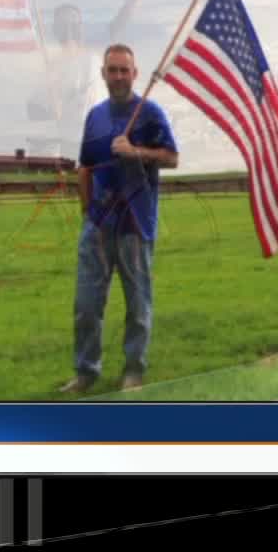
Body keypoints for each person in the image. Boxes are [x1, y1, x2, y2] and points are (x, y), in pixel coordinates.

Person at [58, 44, 178, 394]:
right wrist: (86, 212)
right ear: (104, 74)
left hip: (135, 225)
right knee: (86, 305)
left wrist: (135, 152)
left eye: (125, 70)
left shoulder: (150, 113)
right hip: (97, 226)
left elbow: (172, 158)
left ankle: (134, 371)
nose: (119, 76)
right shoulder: (94, 116)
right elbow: (85, 166)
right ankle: (85, 372)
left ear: (135, 73)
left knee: (138, 303)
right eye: (113, 70)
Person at [26, 0, 148, 161]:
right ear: (57, 29)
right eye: (66, 24)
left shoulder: (94, 50)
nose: (72, 28)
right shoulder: (51, 65)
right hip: (70, 140)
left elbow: (119, 24)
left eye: (75, 23)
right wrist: (53, 108)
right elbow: (34, 107)